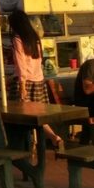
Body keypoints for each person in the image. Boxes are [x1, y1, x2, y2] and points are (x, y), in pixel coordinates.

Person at [8, 10, 62, 150]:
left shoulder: (17, 39)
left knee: (21, 115)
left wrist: (22, 86)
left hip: (25, 81)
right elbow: (38, 61)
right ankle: (51, 137)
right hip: (38, 80)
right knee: (37, 114)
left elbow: (21, 64)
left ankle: (32, 143)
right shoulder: (34, 38)